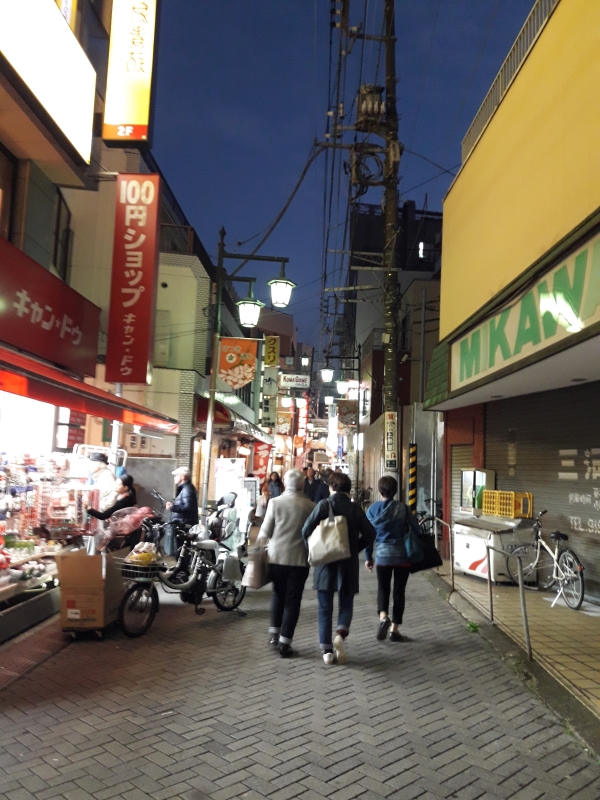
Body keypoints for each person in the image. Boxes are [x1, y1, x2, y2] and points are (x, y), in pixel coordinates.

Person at [302, 472, 375, 666]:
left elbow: (305, 530)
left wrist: (315, 549)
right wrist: (354, 548)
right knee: (346, 603)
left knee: (325, 608)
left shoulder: (323, 505)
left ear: (331, 487)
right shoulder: (354, 508)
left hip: (325, 564)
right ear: (348, 489)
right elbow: (370, 533)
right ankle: (340, 636)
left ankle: (327, 651)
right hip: (348, 564)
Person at [259, 469, 315, 657]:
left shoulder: (275, 503)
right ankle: (285, 642)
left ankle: (274, 635)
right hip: (299, 559)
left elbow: (265, 531)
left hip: (276, 558)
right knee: (293, 601)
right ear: (302, 484)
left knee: (278, 595)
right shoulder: (311, 506)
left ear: (285, 483)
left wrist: (255, 551)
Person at [365, 475, 420, 642]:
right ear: (396, 490)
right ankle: (394, 630)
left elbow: (368, 536)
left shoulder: (372, 510)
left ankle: (383, 617)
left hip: (382, 557)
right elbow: (416, 529)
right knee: (399, 592)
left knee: (383, 589)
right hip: (402, 557)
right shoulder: (403, 508)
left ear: (380, 490)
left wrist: (368, 557)